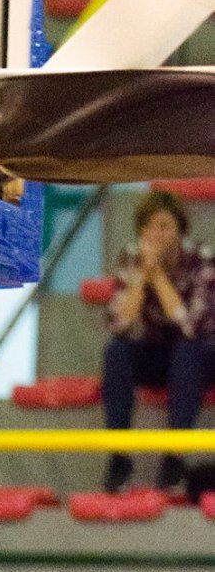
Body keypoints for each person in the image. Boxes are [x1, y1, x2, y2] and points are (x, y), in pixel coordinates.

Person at [101, 189, 215, 498]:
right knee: (118, 352)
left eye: (164, 226)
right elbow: (119, 323)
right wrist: (142, 276)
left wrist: (159, 279)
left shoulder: (201, 260)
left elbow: (191, 327)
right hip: (159, 351)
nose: (156, 234)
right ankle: (119, 455)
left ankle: (174, 456)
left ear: (180, 230)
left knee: (186, 353)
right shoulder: (132, 257)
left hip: (201, 352)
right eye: (149, 226)